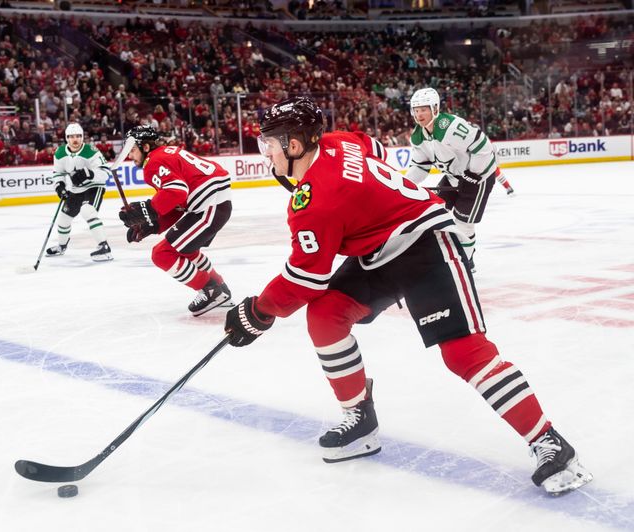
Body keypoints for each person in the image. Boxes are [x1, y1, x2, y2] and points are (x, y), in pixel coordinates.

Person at [223, 96, 592, 495]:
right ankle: (359, 418)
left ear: (294, 145)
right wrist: (372, 203)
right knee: (326, 315)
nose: (266, 154)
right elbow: (371, 147)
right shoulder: (335, 141)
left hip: (425, 245)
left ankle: (551, 443)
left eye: (269, 145)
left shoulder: (314, 201)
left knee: (462, 351)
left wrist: (257, 313)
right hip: (378, 252)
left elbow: (305, 279)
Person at [119, 125, 232, 316]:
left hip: (208, 207)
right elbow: (178, 203)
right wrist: (152, 224)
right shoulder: (165, 154)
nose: (131, 155)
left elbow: (177, 191)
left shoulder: (153, 163)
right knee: (186, 250)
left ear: (145, 147)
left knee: (161, 254)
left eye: (133, 149)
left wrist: (148, 209)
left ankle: (211, 290)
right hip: (213, 205)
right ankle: (219, 287)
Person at [404, 88, 515, 271]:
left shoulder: (449, 126)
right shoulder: (418, 136)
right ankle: (444, 254)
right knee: (437, 213)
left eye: (423, 109)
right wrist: (403, 184)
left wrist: (473, 175)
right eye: (416, 110)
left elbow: (483, 147)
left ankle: (466, 262)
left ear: (435, 109)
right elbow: (420, 166)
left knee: (463, 222)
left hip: (479, 178)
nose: (419, 114)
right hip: (453, 177)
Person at [45, 123, 114, 262]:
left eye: (78, 136)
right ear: (66, 138)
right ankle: (61, 246)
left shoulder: (91, 151)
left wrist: (89, 173)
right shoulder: (59, 153)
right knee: (63, 218)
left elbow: (106, 173)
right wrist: (59, 186)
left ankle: (104, 247)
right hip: (76, 190)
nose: (75, 140)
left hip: (94, 187)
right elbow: (58, 173)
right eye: (71, 137)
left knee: (87, 211)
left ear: (82, 137)